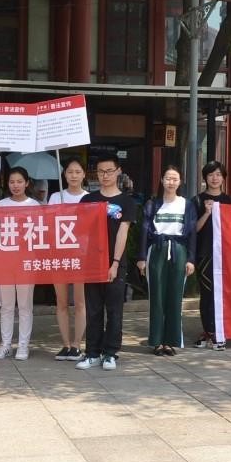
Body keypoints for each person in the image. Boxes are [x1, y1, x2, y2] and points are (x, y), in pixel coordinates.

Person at [76, 157, 138, 371]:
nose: (105, 175)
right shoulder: (88, 200)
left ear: (118, 171)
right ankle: (92, 353)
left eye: (109, 171)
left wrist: (115, 263)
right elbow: (81, 231)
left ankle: (110, 353)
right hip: (92, 263)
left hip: (115, 263)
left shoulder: (127, 202)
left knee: (114, 310)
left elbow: (123, 233)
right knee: (93, 310)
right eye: (101, 171)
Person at [136, 165, 198, 356]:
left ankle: (171, 341)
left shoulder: (187, 205)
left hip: (179, 251)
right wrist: (141, 258)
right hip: (157, 250)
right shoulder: (152, 204)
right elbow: (144, 231)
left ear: (180, 182)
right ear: (162, 180)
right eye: (168, 178)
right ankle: (156, 341)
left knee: (175, 296)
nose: (171, 182)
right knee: (156, 296)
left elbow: (192, 233)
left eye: (175, 179)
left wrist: (191, 259)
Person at [0, 167, 40, 361]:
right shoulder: (0, 204)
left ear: (27, 183)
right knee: (6, 306)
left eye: (20, 181)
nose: (16, 185)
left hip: (26, 260)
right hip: (5, 260)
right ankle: (5, 345)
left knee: (24, 305)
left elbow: (39, 234)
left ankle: (23, 345)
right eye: (12, 182)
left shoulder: (35, 205)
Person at [48, 159, 88, 360]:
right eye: (70, 172)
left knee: (80, 302)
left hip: (81, 255)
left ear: (83, 174)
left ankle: (77, 345)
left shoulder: (89, 198)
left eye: (77, 171)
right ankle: (65, 344)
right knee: (61, 302)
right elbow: (47, 224)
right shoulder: (56, 197)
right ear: (64, 175)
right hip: (59, 255)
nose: (73, 175)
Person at [194, 161, 231, 350]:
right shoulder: (197, 200)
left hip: (225, 255)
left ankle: (221, 330)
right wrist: (207, 213)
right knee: (207, 293)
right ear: (205, 178)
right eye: (211, 174)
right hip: (205, 253)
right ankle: (208, 331)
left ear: (223, 177)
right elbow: (194, 229)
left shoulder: (230, 200)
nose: (215, 178)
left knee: (224, 293)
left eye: (218, 174)